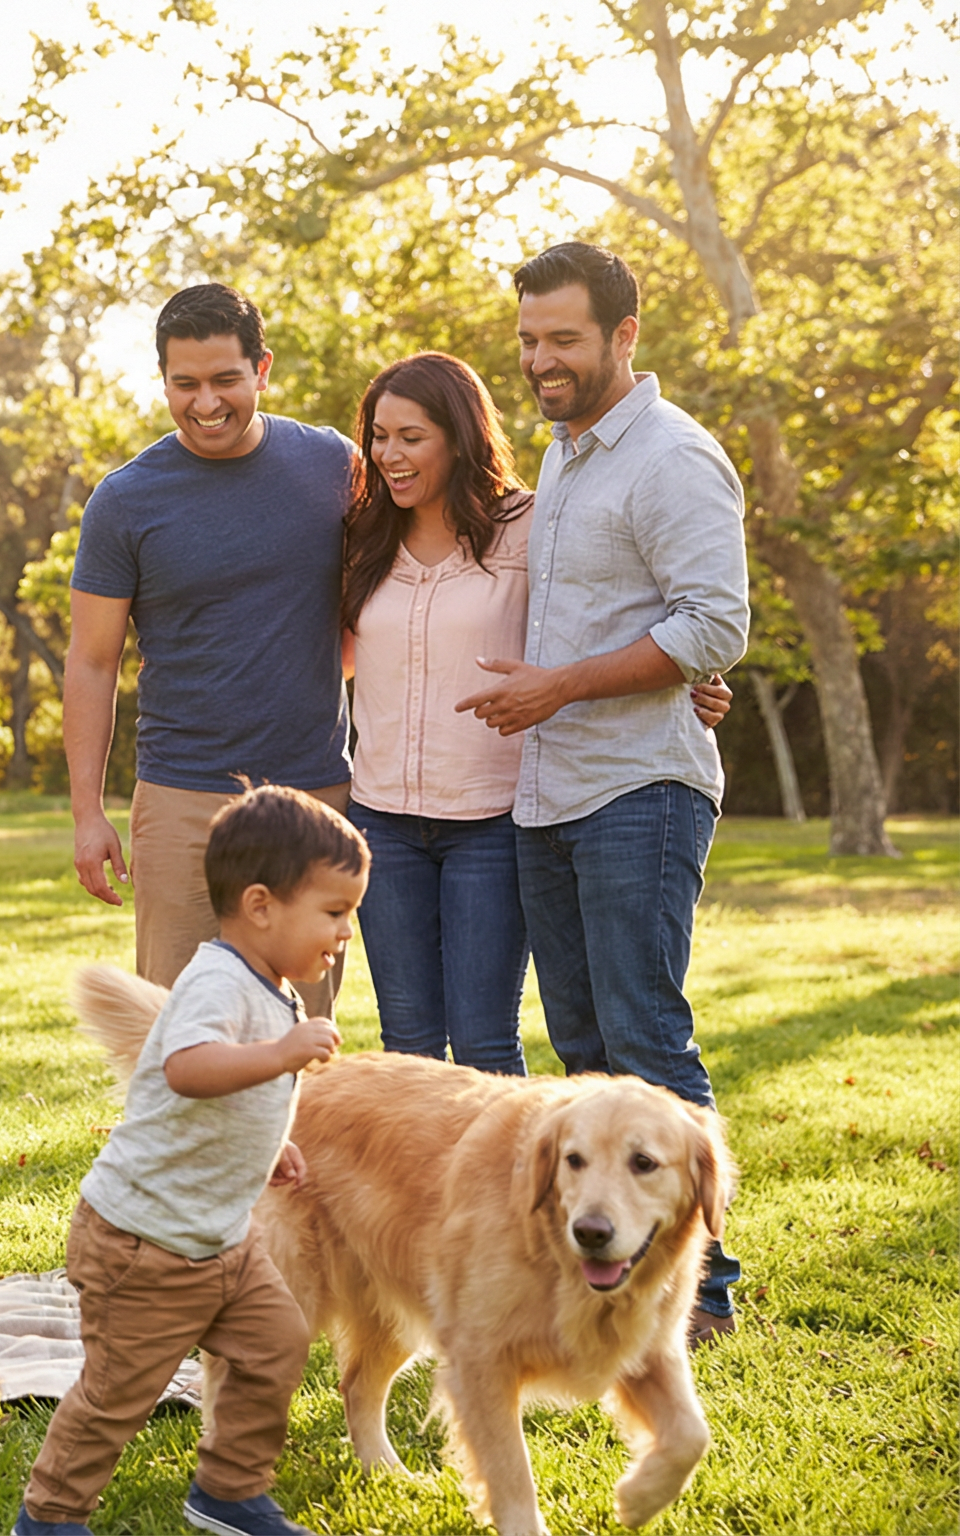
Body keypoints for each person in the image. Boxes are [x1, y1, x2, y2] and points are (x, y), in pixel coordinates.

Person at [460, 242, 751, 1344]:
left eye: (564, 339)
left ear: (624, 336)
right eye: (529, 339)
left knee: (644, 1037)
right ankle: (617, 1271)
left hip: (639, 787)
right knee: (583, 1048)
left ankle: (703, 1292)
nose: (541, 359)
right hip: (550, 794)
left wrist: (562, 687)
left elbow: (713, 624)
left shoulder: (673, 457)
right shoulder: (566, 454)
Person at [343, 353, 734, 1076]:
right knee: (407, 1044)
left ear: (459, 438)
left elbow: (611, 607)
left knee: (486, 1042)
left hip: (493, 818)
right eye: (379, 436)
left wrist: (696, 676)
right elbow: (332, 655)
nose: (389, 454)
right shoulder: (363, 538)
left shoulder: (527, 523)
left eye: (411, 437)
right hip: (382, 820)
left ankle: (503, 1162)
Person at [16, 787, 364, 1536]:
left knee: (276, 1343)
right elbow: (188, 1067)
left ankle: (229, 1491)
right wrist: (281, 1055)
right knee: (118, 1393)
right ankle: (50, 1516)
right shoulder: (217, 981)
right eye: (334, 912)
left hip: (220, 1238)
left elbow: (230, 1097)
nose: (345, 931)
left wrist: (269, 1147)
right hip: (143, 1241)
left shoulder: (273, 987)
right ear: (261, 906)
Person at [64, 283, 359, 1017]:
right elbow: (92, 662)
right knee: (177, 1027)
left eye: (225, 380)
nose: (205, 403)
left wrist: (311, 673)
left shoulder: (334, 467)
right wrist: (87, 813)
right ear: (163, 380)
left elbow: (389, 598)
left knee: (303, 1028)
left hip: (314, 791)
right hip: (181, 796)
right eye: (185, 384)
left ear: (263, 369)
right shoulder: (125, 500)